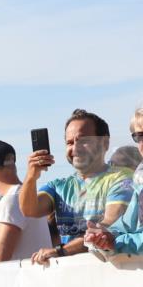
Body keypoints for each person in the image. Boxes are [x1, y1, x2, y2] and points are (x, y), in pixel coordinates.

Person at [20, 109, 133, 265]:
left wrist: (61, 251)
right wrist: (31, 176)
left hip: (114, 273)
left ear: (105, 143)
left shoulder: (122, 179)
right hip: (73, 275)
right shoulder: (59, 186)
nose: (75, 148)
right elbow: (29, 209)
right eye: (70, 142)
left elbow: (109, 226)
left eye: (83, 140)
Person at [86, 107, 143, 255]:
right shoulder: (140, 182)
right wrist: (104, 235)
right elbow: (125, 225)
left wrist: (116, 242)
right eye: (138, 136)